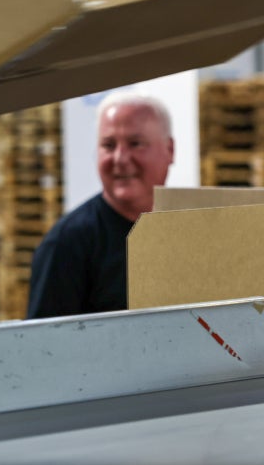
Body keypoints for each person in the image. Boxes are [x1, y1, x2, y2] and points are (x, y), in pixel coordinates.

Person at [26, 92, 174, 318]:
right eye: (109, 145)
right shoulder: (66, 245)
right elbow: (42, 346)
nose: (120, 159)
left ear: (169, 150)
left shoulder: (186, 229)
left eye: (135, 144)